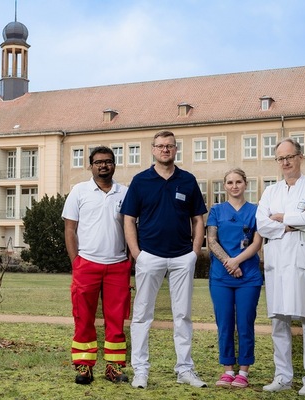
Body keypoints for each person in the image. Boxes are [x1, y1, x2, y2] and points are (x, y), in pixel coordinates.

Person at [121, 130, 208, 389]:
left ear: (175, 149)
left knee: (183, 315)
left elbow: (198, 219)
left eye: (169, 146)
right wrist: (137, 254)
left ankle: (185, 369)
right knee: (142, 315)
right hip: (150, 256)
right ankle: (140, 370)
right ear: (153, 149)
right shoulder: (140, 181)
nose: (165, 150)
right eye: (160, 146)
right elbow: (128, 219)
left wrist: (194, 252)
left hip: (182, 257)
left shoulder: (188, 180)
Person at [256, 138, 305, 396]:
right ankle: (283, 376)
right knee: (279, 321)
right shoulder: (270, 191)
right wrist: (290, 224)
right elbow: (261, 224)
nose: (286, 162)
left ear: (301, 156)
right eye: (281, 158)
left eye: (290, 156)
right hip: (278, 263)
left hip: (303, 263)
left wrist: (283, 218)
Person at [62, 146, 131, 385]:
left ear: (114, 164)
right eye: (98, 162)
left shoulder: (125, 192)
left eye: (108, 161)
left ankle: (114, 366)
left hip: (117, 265)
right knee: (83, 317)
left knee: (117, 318)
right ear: (90, 165)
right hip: (87, 264)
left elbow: (132, 229)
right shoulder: (79, 191)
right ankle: (84, 366)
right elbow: (69, 229)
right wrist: (76, 263)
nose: (103, 165)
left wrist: (129, 261)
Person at [206, 168, 263, 389]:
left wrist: (236, 261)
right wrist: (230, 264)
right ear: (225, 185)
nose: (234, 186)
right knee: (225, 324)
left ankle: (244, 371)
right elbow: (212, 241)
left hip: (248, 276)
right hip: (221, 277)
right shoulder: (216, 210)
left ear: (245, 184)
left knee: (246, 323)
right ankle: (228, 369)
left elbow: (257, 243)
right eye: (229, 182)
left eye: (238, 181)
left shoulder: (256, 211)